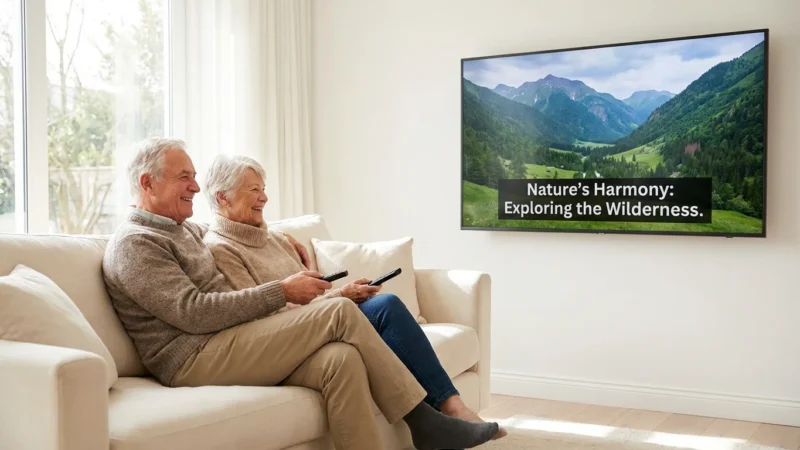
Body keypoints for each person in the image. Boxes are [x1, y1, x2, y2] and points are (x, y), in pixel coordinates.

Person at [101, 137, 499, 450]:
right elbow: (193, 313)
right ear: (147, 183)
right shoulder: (136, 243)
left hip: (224, 341)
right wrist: (282, 290)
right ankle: (424, 420)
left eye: (194, 175)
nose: (195, 185)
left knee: (339, 359)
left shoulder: (181, 229)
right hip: (192, 357)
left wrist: (272, 234)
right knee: (339, 313)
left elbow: (221, 227)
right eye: (183, 176)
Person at [201, 154, 506, 440]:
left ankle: (452, 407)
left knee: (384, 304)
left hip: (317, 321)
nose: (264, 197)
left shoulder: (276, 239)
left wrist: (342, 293)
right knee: (380, 311)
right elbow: (258, 319)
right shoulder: (220, 248)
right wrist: (334, 301)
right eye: (254, 190)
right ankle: (434, 420)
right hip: (284, 339)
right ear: (222, 197)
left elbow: (307, 298)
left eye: (264, 189)